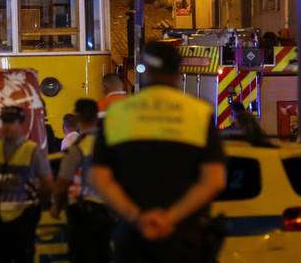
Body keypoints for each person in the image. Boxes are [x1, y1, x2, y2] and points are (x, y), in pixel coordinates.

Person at [91, 41, 227, 263]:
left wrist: (137, 218)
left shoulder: (117, 114)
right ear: (178, 72)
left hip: (133, 240)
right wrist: (169, 218)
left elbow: (99, 178)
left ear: (145, 71)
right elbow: (214, 181)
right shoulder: (199, 114)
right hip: (185, 240)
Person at [0, 104, 54, 263]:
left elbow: (47, 183)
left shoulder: (32, 150)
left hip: (23, 218)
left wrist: (38, 205)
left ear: (21, 123)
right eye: (5, 122)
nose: (7, 126)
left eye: (11, 122)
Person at [52, 98, 112, 263]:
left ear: (78, 118)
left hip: (82, 212)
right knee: (102, 254)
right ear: (96, 116)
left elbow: (63, 180)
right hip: (106, 210)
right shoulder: (108, 144)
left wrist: (56, 206)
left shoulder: (77, 146)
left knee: (81, 255)